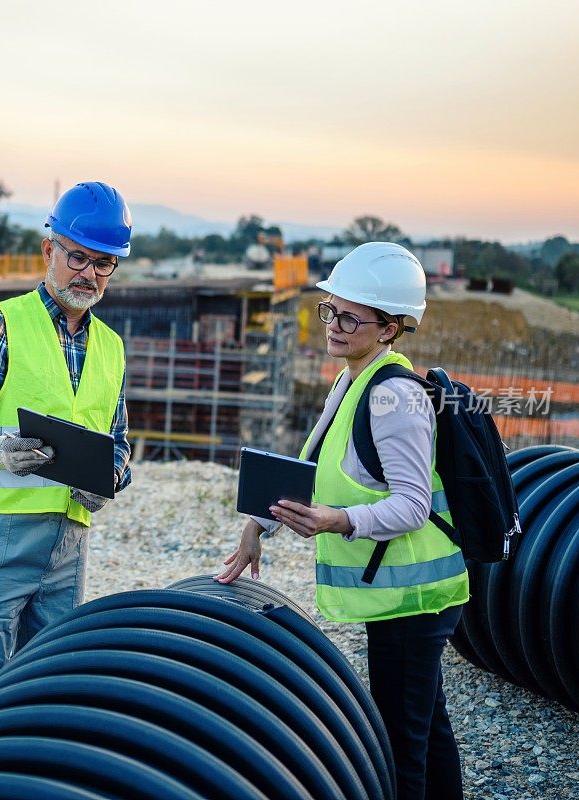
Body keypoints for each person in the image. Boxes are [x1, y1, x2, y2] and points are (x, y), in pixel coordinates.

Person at [216, 242, 469, 800]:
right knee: (426, 723)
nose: (333, 324)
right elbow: (311, 466)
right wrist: (260, 524)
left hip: (415, 598)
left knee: (401, 741)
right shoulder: (352, 381)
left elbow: (412, 505)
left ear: (391, 328)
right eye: (330, 309)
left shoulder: (394, 397)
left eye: (351, 315)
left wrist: (336, 521)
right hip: (404, 594)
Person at [0, 181, 133, 731]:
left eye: (104, 264)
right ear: (50, 250)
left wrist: (110, 477)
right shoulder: (0, 323)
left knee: (48, 694)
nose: (88, 273)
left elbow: (118, 443)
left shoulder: (111, 347)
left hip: (68, 545)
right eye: (78, 257)